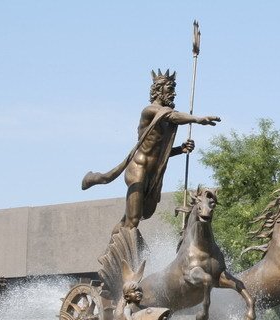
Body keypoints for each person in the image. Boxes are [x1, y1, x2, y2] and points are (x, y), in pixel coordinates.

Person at [81, 69, 220, 229]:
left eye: (174, 90)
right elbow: (172, 115)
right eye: (170, 89)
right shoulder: (150, 111)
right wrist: (197, 119)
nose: (173, 94)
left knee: (130, 219)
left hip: (152, 174)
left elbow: (159, 151)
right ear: (158, 90)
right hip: (138, 169)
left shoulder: (167, 122)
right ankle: (125, 251)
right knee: (133, 222)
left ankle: (113, 250)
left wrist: (180, 149)